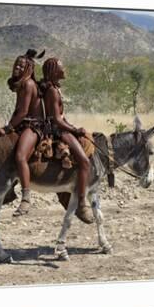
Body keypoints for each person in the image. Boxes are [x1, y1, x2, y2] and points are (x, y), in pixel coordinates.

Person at [40, 57, 94, 223]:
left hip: (59, 127)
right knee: (85, 162)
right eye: (62, 67)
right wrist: (74, 129)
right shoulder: (52, 91)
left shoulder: (53, 88)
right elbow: (56, 119)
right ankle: (82, 202)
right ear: (54, 71)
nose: (65, 70)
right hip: (57, 131)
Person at [0, 49, 45, 216]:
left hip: (34, 127)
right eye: (16, 64)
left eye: (21, 65)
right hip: (24, 125)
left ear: (28, 68)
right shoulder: (22, 84)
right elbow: (18, 111)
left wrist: (8, 128)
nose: (17, 67)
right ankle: (9, 190)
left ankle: (26, 198)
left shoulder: (28, 84)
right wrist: (9, 126)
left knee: (20, 156)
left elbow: (23, 112)